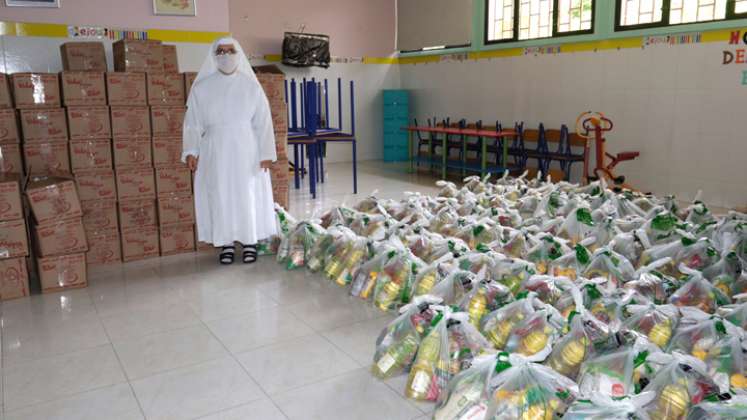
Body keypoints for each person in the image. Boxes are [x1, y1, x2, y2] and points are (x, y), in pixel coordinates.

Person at [182, 37, 277, 264]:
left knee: (246, 193)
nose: (225, 55)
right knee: (220, 193)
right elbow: (192, 122)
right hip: (215, 150)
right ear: (213, 56)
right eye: (220, 51)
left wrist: (266, 153)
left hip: (246, 150)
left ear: (239, 53)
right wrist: (191, 150)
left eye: (230, 50)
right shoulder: (202, 88)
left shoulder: (251, 86)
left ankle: (249, 241)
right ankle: (225, 243)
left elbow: (263, 122)